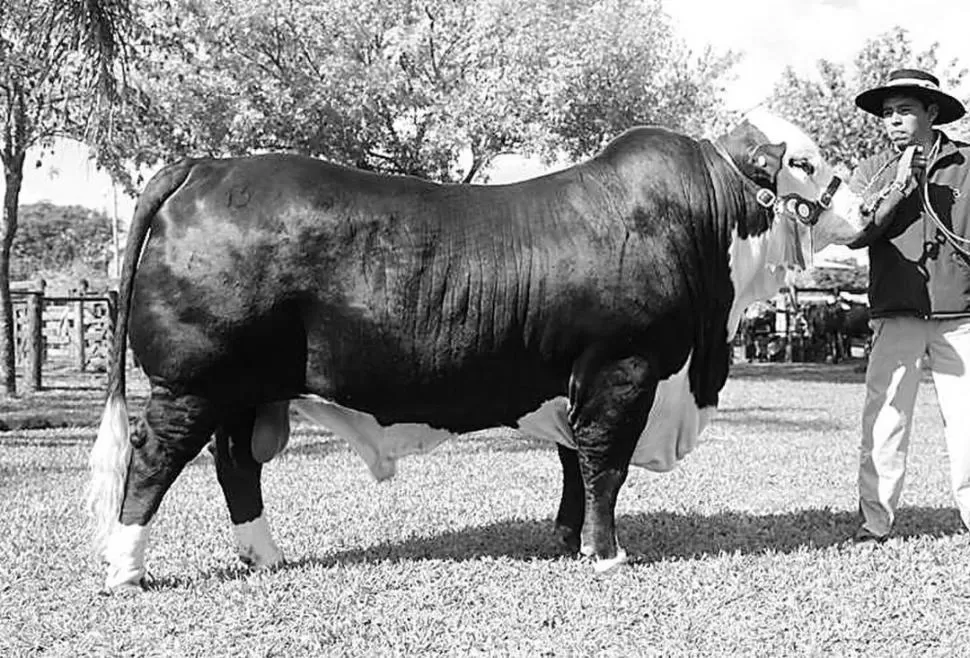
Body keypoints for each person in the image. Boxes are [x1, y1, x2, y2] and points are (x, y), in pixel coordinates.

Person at [847, 68, 970, 542]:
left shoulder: (966, 163)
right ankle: (875, 522)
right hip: (896, 312)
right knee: (885, 420)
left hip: (960, 316)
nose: (893, 122)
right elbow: (857, 234)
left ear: (932, 113)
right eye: (887, 114)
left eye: (904, 111)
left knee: (966, 424)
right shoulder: (871, 170)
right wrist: (898, 186)